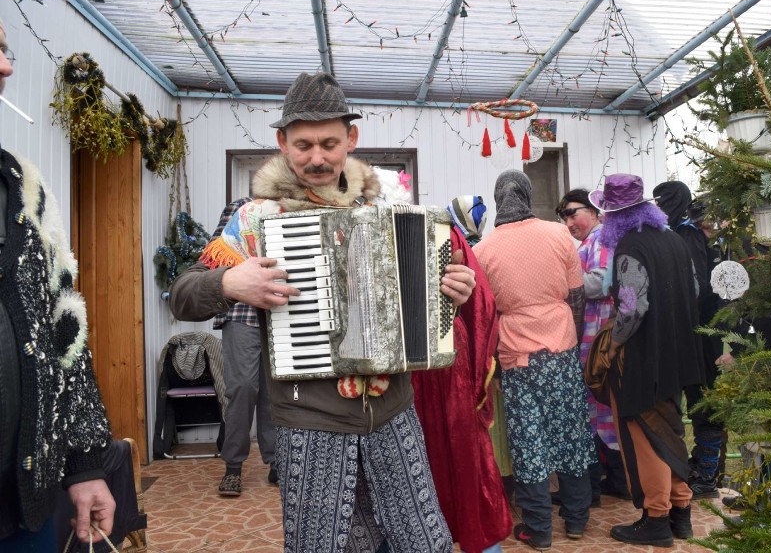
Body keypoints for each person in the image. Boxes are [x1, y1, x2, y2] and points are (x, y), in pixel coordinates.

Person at [167, 72, 475, 552]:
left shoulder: (388, 211)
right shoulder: (254, 219)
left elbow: (424, 308)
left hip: (395, 416)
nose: (317, 157)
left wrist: (451, 291)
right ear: (282, 143)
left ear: (351, 138)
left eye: (329, 143)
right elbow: (183, 295)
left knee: (422, 543)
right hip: (310, 425)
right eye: (303, 144)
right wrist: (229, 281)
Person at [0, 20, 115, 550]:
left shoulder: (25, 188)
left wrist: (86, 463)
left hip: (27, 506)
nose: (5, 66)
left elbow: (66, 334)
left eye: (4, 50)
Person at [473, 170, 595, 551]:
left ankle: (538, 527)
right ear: (527, 196)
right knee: (571, 434)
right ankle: (576, 519)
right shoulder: (559, 235)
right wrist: (566, 341)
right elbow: (577, 297)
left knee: (529, 441)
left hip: (516, 358)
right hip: (561, 349)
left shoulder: (484, 250)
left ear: (497, 200)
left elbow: (486, 315)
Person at [588, 174, 705, 547]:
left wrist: (611, 346)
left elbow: (633, 308)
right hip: (678, 355)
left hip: (642, 360)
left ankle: (656, 518)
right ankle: (680, 512)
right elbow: (695, 290)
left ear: (615, 216)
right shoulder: (675, 240)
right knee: (670, 431)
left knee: (645, 437)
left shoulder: (630, 247)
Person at [411, 195, 512, 553]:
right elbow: (484, 310)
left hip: (446, 366)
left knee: (460, 460)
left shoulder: (447, 238)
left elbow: (480, 305)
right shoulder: (459, 239)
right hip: (428, 373)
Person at [555, 189, 629, 505]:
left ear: (595, 210)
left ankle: (609, 484)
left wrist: (560, 283)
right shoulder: (592, 241)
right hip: (594, 341)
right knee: (599, 411)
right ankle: (607, 483)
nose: (569, 223)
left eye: (573, 213)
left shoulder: (602, 238)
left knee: (602, 410)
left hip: (599, 340)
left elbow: (600, 281)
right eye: (565, 217)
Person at [653, 181, 725, 500]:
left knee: (704, 404)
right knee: (687, 402)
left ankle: (707, 475)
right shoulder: (675, 233)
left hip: (700, 335)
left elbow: (697, 289)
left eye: (661, 200)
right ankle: (695, 468)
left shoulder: (687, 234)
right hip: (688, 334)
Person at [208, 197, 278, 497]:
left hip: (280, 315)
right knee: (243, 388)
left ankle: (277, 461)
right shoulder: (240, 208)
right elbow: (216, 252)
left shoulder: (291, 208)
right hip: (241, 313)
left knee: (275, 392)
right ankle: (233, 465)